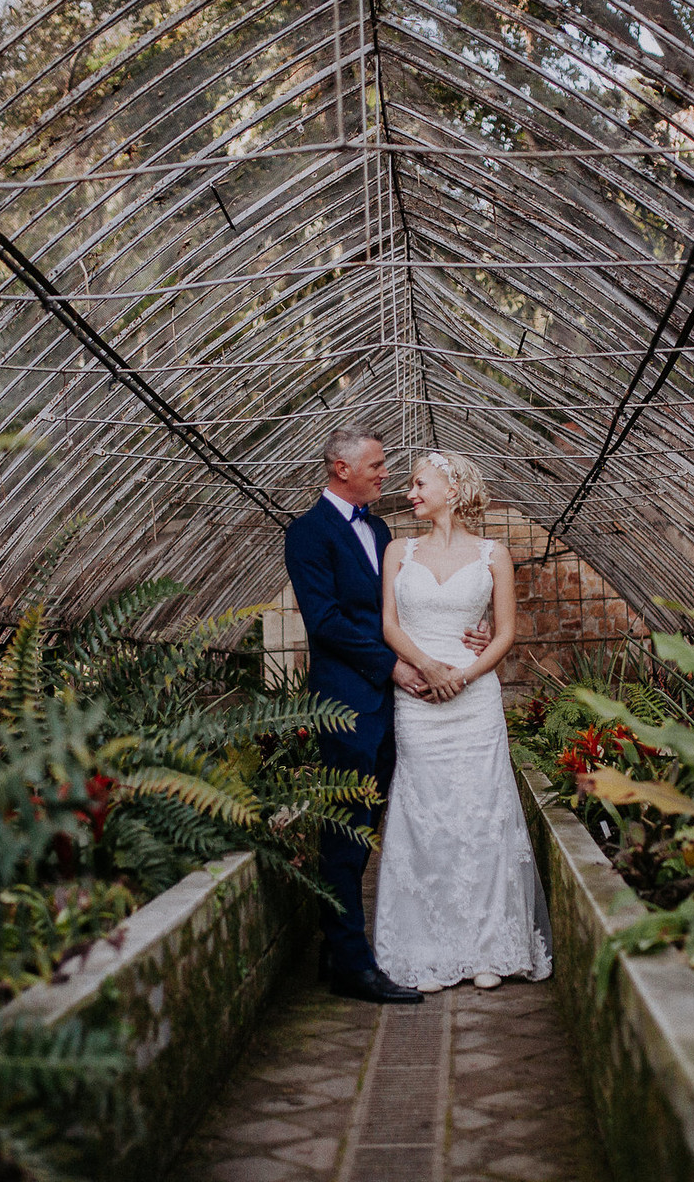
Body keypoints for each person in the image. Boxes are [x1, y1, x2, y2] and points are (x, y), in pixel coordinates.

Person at [282, 428, 489, 1004]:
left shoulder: (380, 531)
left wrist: (472, 628)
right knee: (344, 831)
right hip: (347, 703)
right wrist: (395, 666)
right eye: (375, 466)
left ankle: (336, 940)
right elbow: (325, 623)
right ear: (340, 468)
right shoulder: (307, 534)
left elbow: (397, 613)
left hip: (393, 707)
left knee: (368, 824)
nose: (385, 474)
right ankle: (353, 965)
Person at [373, 449, 552, 993]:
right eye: (408, 485)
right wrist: (429, 668)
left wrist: (466, 676)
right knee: (424, 814)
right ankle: (426, 947)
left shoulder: (494, 555)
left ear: (451, 490)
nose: (409, 493)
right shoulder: (397, 551)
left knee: (481, 814)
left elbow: (504, 634)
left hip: (474, 701)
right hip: (420, 700)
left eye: (418, 484)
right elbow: (388, 624)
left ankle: (488, 948)